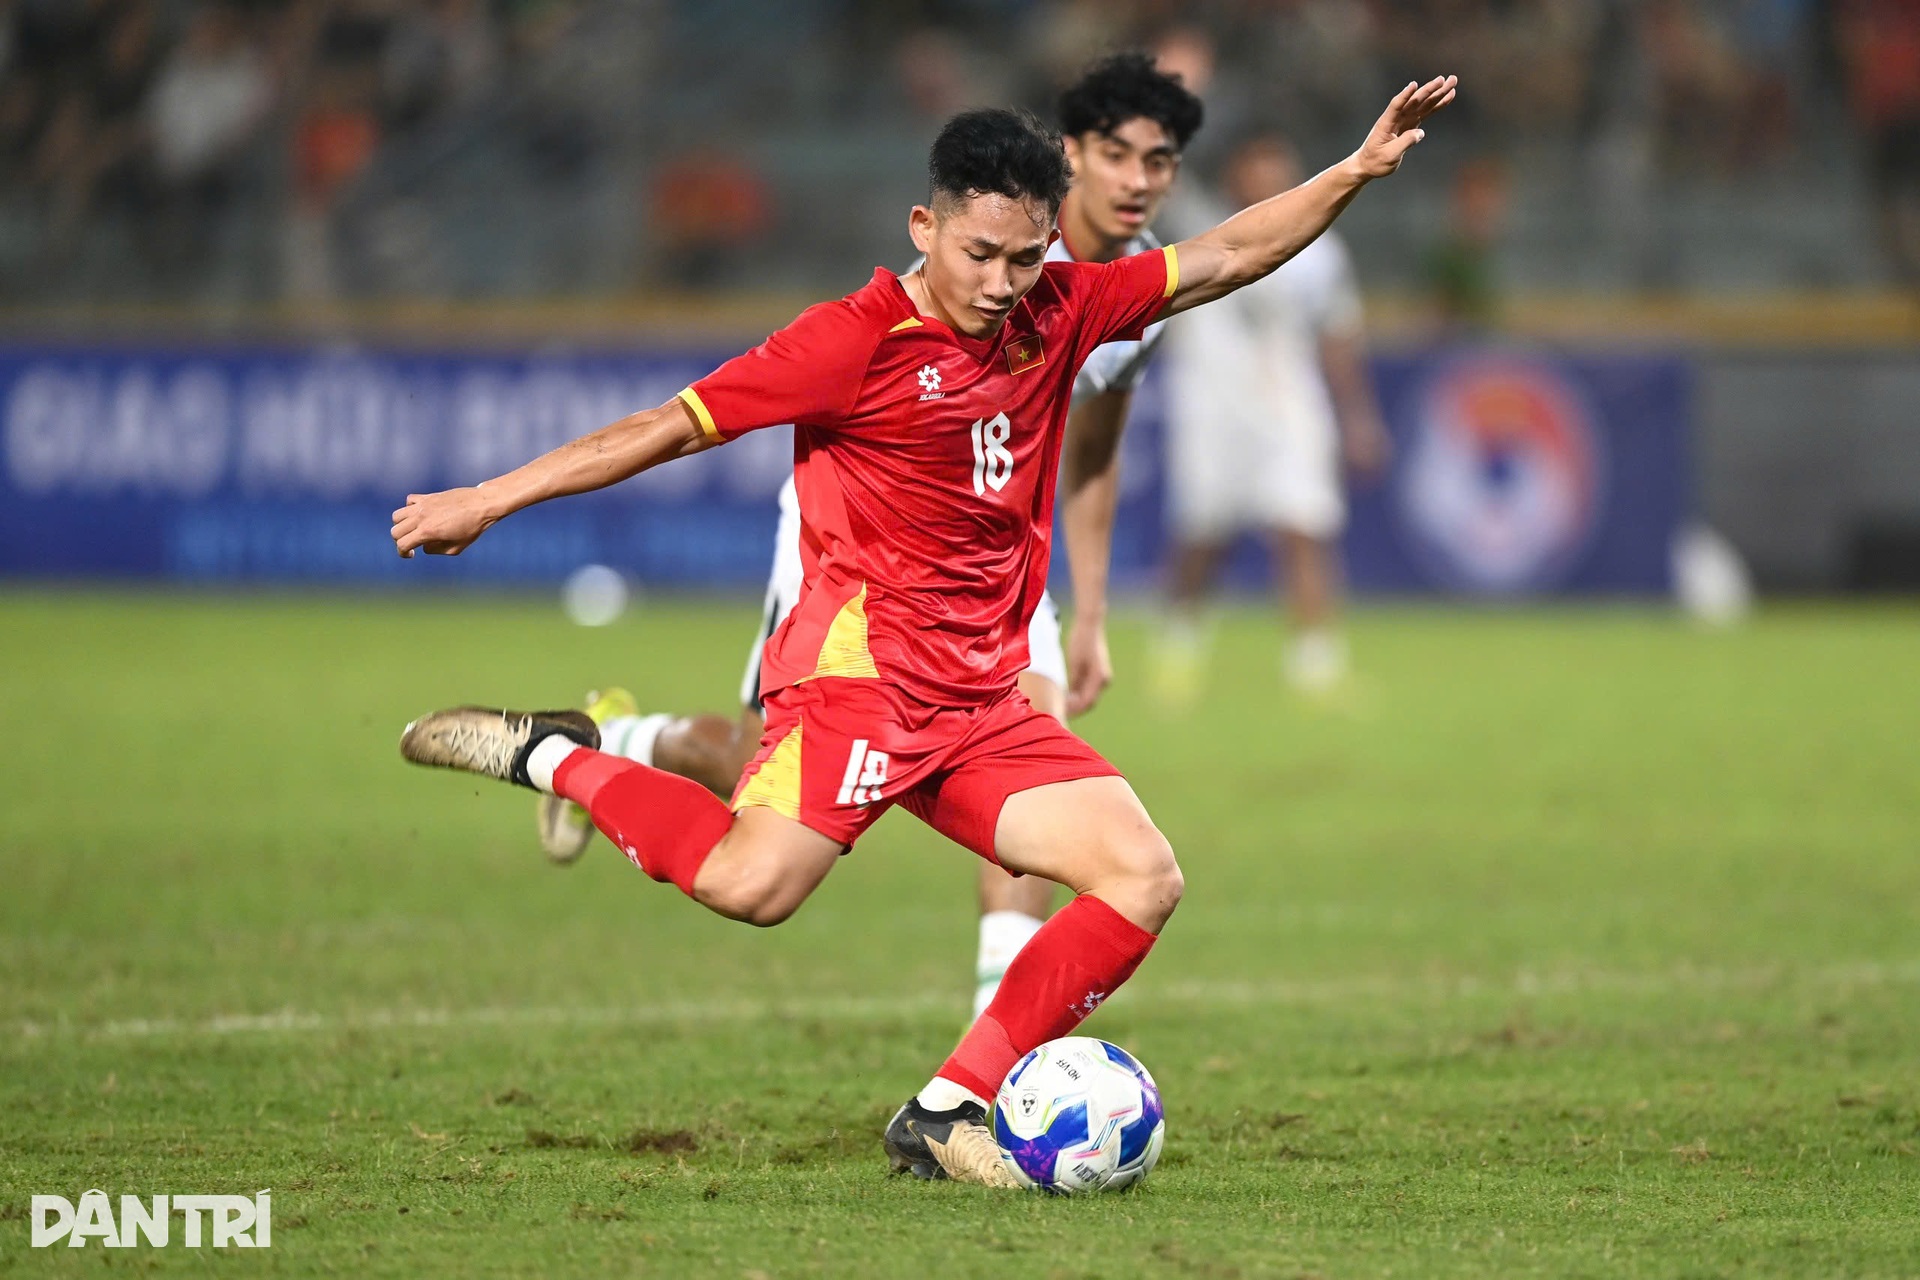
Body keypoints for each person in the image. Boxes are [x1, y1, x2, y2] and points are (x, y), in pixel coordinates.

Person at [391, 76, 1456, 1187]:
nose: (1003, 284)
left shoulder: (1065, 304)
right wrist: (488, 497)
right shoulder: (848, 343)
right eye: (980, 254)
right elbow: (663, 428)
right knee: (750, 889)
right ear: (926, 224)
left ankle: (949, 1106)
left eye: (1026, 256)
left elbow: (1231, 254)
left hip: (983, 695)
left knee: (1142, 875)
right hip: (861, 683)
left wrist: (1352, 171)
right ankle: (559, 755)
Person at [535, 53, 1205, 1022]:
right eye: (1118, 154)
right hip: (857, 555)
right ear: (1070, 160)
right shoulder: (990, 258)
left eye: (1163, 160)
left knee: (1042, 768)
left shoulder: (1124, 301)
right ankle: (620, 737)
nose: (1140, 180)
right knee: (748, 769)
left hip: (991, 579)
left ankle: (996, 1042)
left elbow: (1092, 455)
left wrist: (1089, 608)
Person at [1156, 131, 1392, 700]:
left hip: (1289, 401)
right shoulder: (1197, 225)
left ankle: (1317, 667)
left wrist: (1358, 417)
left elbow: (1338, 335)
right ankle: (1178, 645)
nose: (1268, 175)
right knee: (1203, 536)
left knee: (1305, 526)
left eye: (1278, 163)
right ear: (1234, 171)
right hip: (1211, 402)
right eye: (1257, 163)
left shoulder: (1322, 248)